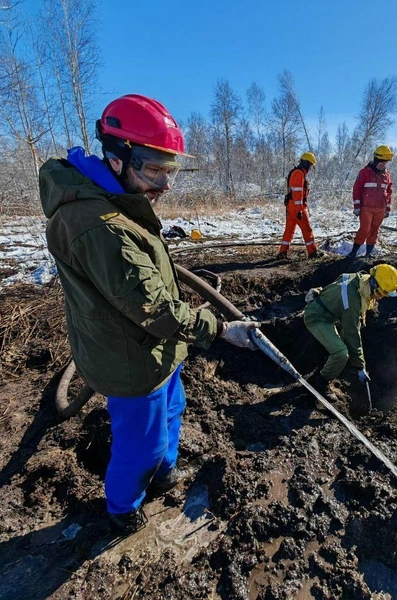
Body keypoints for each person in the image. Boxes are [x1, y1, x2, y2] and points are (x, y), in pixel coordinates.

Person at [39, 94, 260, 535]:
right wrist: (218, 328)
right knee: (141, 445)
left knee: (173, 407)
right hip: (129, 360)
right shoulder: (101, 226)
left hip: (154, 349)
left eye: (169, 168)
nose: (165, 184)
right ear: (117, 158)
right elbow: (155, 308)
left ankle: (164, 471)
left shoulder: (115, 199)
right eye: (154, 169)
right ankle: (122, 506)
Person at [303, 264, 397, 393]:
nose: (381, 298)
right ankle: (321, 382)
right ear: (375, 286)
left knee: (347, 339)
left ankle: (335, 361)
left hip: (331, 312)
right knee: (341, 353)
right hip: (317, 318)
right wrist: (360, 367)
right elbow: (352, 333)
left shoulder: (359, 279)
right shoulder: (352, 302)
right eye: (382, 294)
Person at [348, 145, 394, 259]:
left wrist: (387, 208)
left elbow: (389, 192)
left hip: (380, 209)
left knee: (374, 231)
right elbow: (357, 189)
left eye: (385, 162)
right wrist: (357, 206)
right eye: (382, 162)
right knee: (365, 229)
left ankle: (368, 255)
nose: (383, 164)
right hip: (366, 208)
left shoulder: (386, 175)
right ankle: (353, 252)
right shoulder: (364, 172)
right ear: (376, 159)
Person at [277, 152, 322, 260]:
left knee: (289, 230)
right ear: (306, 163)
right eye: (310, 165)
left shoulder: (296, 172)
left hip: (291, 206)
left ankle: (282, 253)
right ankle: (313, 252)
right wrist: (299, 210)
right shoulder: (299, 173)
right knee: (307, 229)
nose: (311, 168)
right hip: (297, 207)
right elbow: (297, 193)